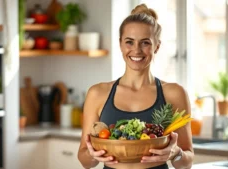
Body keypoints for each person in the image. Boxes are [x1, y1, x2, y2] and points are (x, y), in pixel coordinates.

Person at [78, 3, 194, 169]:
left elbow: (187, 161)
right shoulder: (97, 93)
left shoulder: (174, 93)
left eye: (145, 43)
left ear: (157, 46)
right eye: (129, 42)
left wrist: (176, 153)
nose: (136, 50)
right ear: (120, 44)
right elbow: (84, 160)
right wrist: (92, 154)